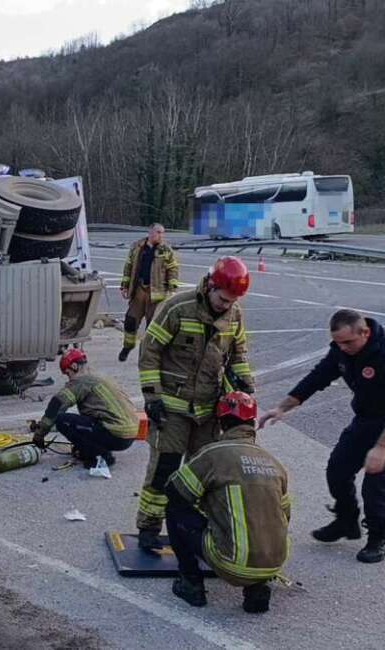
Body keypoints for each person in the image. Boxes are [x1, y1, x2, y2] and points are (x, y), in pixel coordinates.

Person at [259, 309, 385, 563]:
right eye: (338, 343)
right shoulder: (342, 350)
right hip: (368, 418)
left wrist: (382, 448)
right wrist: (282, 407)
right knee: (337, 469)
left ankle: (380, 539)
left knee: (376, 484)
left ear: (365, 332)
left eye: (348, 342)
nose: (343, 348)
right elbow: (318, 377)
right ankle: (347, 520)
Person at [135, 255, 254, 552]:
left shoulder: (234, 315)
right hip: (172, 408)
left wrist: (245, 386)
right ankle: (149, 526)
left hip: (208, 410)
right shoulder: (178, 307)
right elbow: (149, 352)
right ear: (210, 285)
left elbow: (238, 355)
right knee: (164, 469)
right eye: (223, 299)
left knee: (203, 473)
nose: (226, 306)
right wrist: (152, 397)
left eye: (232, 301)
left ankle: (193, 529)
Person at [166, 391, 290, 614]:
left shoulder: (215, 454)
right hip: (274, 562)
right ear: (252, 422)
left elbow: (175, 491)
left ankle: (191, 583)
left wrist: (208, 503)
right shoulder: (273, 462)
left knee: (175, 511)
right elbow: (285, 515)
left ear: (221, 423)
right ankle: (257, 587)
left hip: (232, 564)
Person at [30, 348, 139, 469]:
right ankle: (92, 449)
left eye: (68, 373)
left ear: (74, 366)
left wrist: (39, 435)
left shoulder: (81, 380)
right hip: (130, 433)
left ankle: (100, 458)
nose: (69, 378)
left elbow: (56, 406)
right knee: (83, 427)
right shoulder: (99, 376)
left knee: (62, 420)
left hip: (116, 434)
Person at [118, 223, 180, 362]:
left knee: (152, 326)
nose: (161, 235)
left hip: (156, 295)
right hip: (139, 291)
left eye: (163, 233)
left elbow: (173, 269)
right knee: (131, 321)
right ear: (150, 233)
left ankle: (148, 353)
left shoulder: (166, 250)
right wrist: (125, 286)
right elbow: (128, 266)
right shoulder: (137, 247)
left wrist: (172, 289)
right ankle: (127, 347)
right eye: (159, 232)